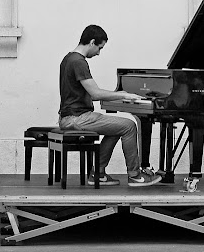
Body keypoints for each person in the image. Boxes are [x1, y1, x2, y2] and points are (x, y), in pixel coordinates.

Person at [59, 24, 161, 187]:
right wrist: (123, 94)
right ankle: (135, 176)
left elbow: (84, 93)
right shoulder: (78, 62)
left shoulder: (68, 58)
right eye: (99, 47)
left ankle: (98, 174)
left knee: (116, 127)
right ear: (92, 42)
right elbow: (96, 94)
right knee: (128, 126)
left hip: (72, 116)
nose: (99, 53)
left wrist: (117, 97)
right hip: (77, 118)